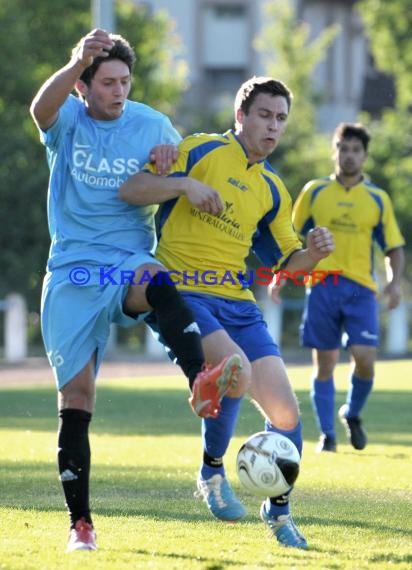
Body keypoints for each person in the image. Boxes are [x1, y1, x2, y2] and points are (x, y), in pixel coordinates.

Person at [29, 28, 243, 553]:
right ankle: (80, 524)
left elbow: (178, 170)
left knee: (157, 281)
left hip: (127, 259)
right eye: (106, 82)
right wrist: (76, 57)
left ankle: (200, 378)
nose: (119, 91)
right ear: (84, 87)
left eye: (125, 81)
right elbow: (39, 110)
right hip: (74, 270)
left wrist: (176, 168)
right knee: (76, 399)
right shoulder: (68, 119)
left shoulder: (152, 124)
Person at [119, 76, 334, 550]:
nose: (272, 126)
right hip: (183, 293)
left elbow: (286, 266)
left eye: (280, 118)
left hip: (238, 301)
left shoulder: (274, 189)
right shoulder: (198, 149)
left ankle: (279, 512)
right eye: (263, 115)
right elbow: (132, 188)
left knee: (286, 412)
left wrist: (313, 255)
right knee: (231, 369)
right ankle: (212, 472)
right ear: (241, 116)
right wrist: (184, 185)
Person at [292, 122, 405, 453]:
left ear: (365, 156)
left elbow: (393, 247)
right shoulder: (314, 192)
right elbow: (287, 237)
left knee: (365, 358)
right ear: (335, 151)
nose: (349, 155)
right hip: (322, 287)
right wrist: (281, 276)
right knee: (324, 364)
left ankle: (352, 413)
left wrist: (394, 284)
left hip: (361, 290)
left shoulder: (377, 199)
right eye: (344, 148)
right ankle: (327, 435)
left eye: (356, 150)